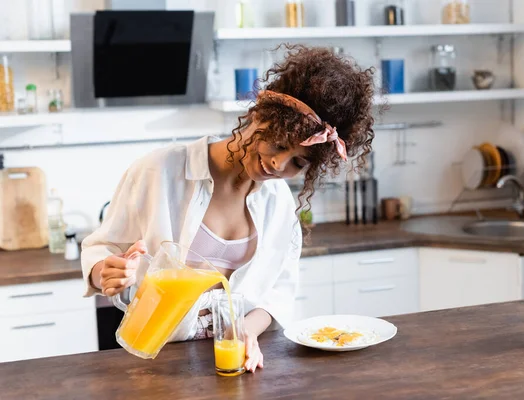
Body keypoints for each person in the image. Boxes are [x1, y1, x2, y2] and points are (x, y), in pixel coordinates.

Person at [81, 45, 375, 373]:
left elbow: (279, 292)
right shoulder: (160, 170)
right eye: (277, 144)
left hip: (234, 361)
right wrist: (105, 271)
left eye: (298, 161)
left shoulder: (278, 203)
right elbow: (100, 248)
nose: (278, 163)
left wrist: (245, 331)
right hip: (155, 359)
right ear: (257, 116)